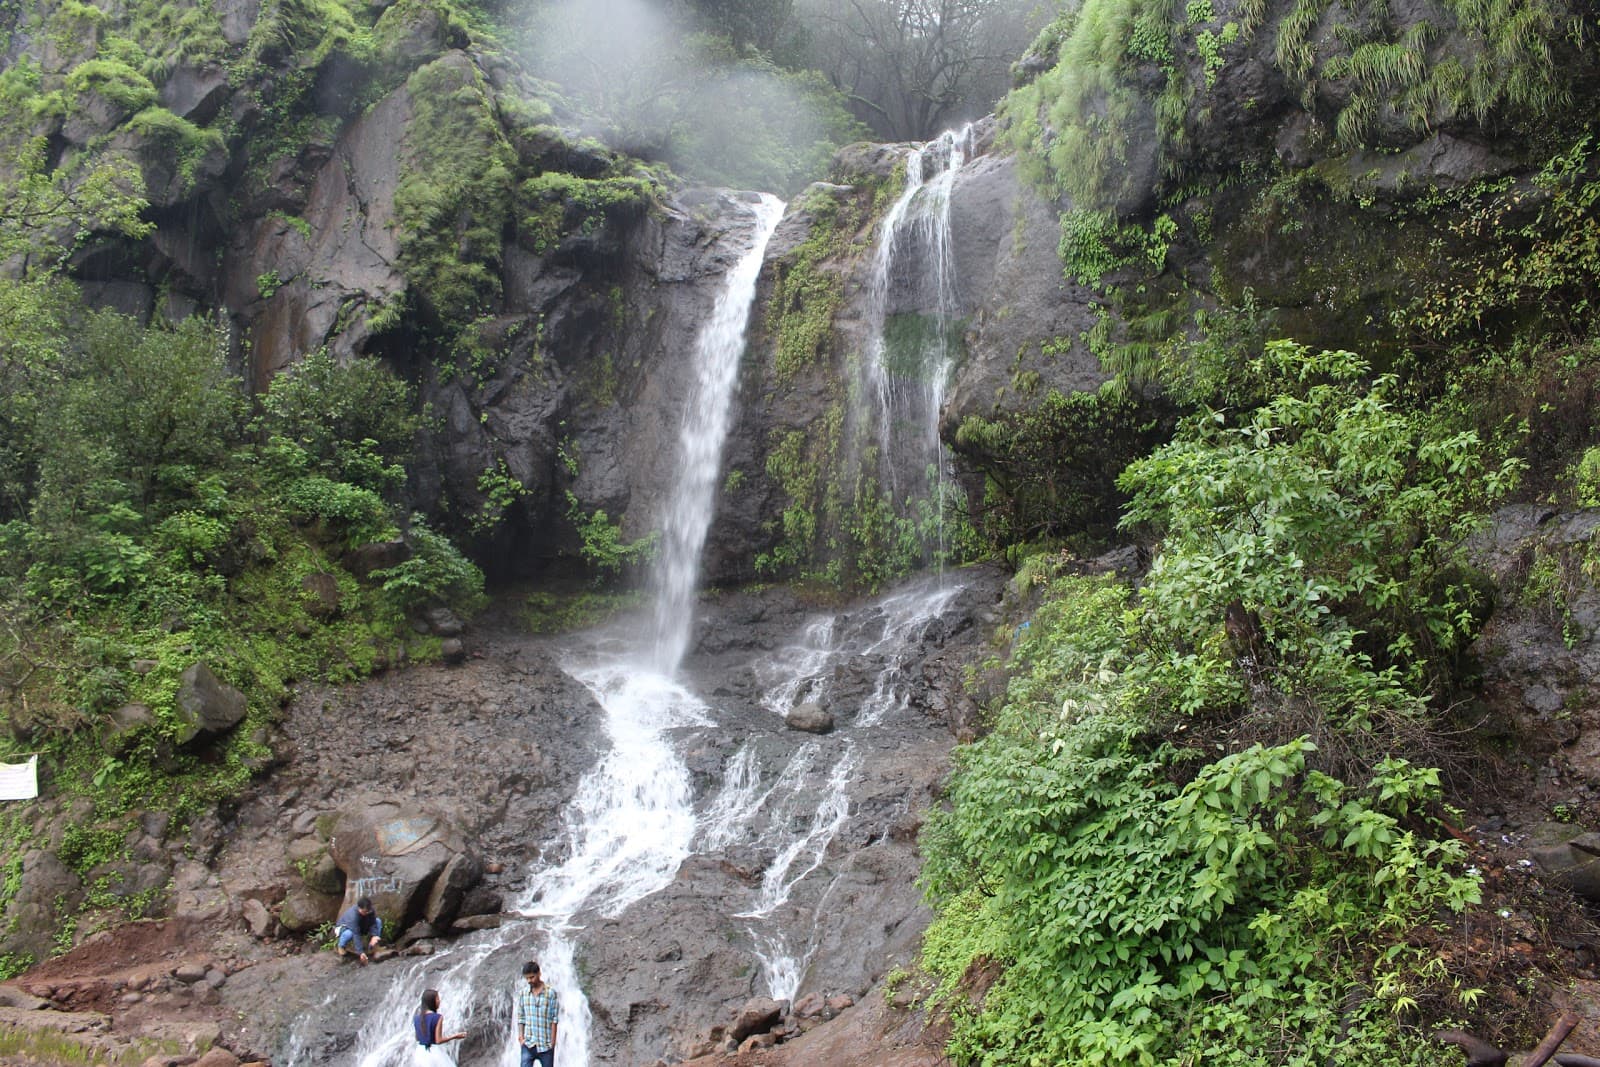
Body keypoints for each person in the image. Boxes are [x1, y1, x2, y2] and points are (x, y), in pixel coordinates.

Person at [514, 959, 559, 1067]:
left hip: (546, 1045)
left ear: (539, 974)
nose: (529, 980)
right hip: (528, 1044)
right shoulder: (523, 994)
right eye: (527, 978)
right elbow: (521, 1017)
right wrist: (521, 1038)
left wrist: (552, 1043)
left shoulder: (551, 993)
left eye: (532, 977)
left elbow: (554, 1019)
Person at [412, 988, 466, 1054]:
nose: (439, 1001)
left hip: (420, 1053)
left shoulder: (416, 1018)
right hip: (432, 1053)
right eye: (437, 999)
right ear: (431, 1001)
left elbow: (417, 1038)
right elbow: (438, 1040)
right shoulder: (438, 1017)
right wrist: (455, 1036)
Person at [334, 896, 383, 963]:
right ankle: (341, 946)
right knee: (349, 933)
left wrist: (374, 935)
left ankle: (373, 946)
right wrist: (361, 952)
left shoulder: (370, 910)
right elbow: (356, 934)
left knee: (378, 921)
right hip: (344, 928)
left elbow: (373, 923)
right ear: (359, 908)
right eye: (364, 911)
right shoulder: (353, 916)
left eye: (368, 911)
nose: (366, 913)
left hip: (361, 925)